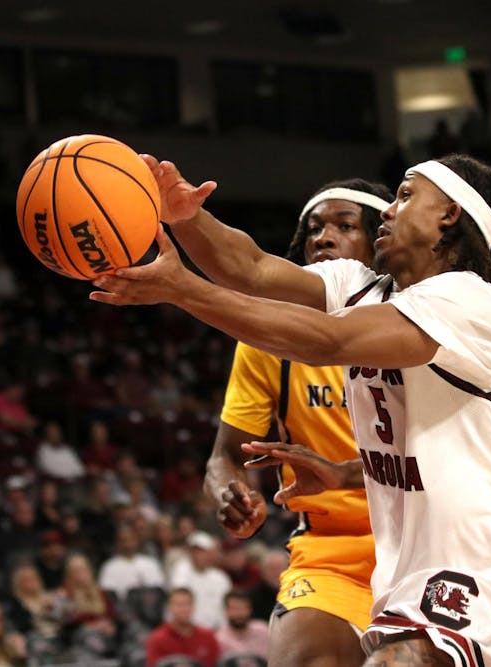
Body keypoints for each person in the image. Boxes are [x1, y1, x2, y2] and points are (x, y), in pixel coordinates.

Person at [90, 152, 491, 666]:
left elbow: (329, 342)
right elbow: (252, 269)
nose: (388, 210)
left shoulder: (469, 303)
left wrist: (182, 290)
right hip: (401, 583)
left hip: (476, 580)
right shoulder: (366, 288)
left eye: (404, 196)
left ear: (448, 215)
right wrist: (185, 215)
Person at [205, 178, 390, 666]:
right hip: (331, 552)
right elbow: (224, 456)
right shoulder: (269, 340)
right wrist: (231, 492)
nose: (322, 238)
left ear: (380, 243)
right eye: (313, 229)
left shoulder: (420, 321)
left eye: (344, 226)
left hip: (424, 543)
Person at [145, 587, 220, 667]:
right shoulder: (157, 639)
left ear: (194, 606)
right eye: (179, 605)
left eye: (188, 604)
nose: (184, 609)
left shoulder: (208, 636)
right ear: (169, 607)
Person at [98, 524, 166, 600]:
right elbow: (108, 593)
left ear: (137, 541)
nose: (127, 544)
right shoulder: (109, 567)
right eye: (123, 540)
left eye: (131, 539)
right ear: (118, 543)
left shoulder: (151, 563)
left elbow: (159, 589)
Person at [215, 591, 268, 661]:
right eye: (235, 609)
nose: (239, 613)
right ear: (226, 611)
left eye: (243, 608)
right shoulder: (219, 638)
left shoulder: (263, 631)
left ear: (250, 610)